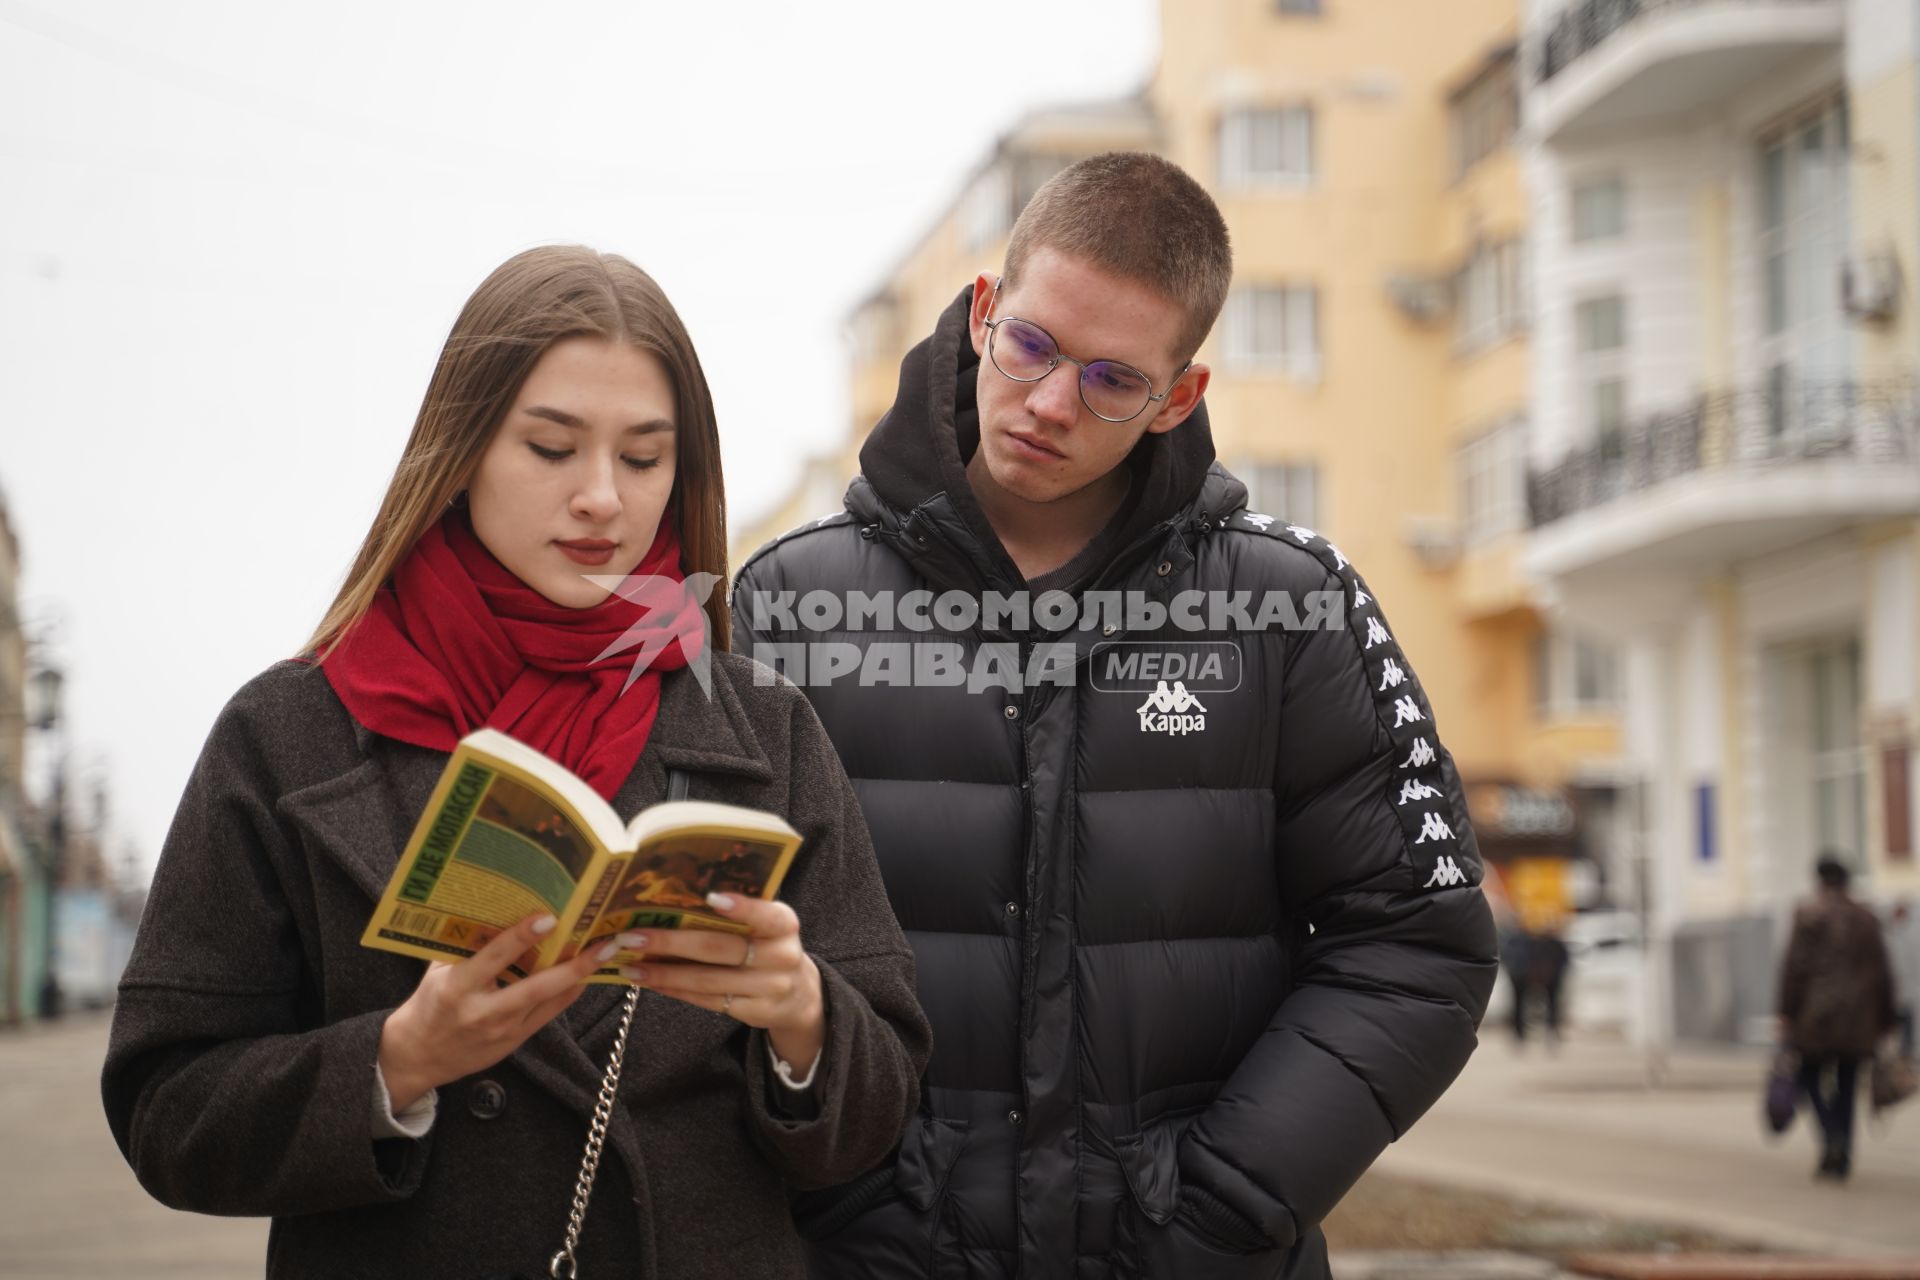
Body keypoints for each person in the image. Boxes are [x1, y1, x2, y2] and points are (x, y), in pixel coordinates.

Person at [732, 153, 1498, 1279]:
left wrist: (1222, 1210)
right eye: (1034, 346)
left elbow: (1416, 943)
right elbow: (720, 951)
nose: (1050, 404)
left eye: (1110, 380)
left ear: (1177, 396)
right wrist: (857, 1200)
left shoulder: (1291, 606)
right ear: (985, 312)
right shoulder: (789, 604)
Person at [101, 246, 933, 1279]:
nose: (601, 497)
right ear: (460, 450)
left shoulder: (765, 727)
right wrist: (398, 1061)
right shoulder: (287, 731)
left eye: (642, 458)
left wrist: (803, 1017)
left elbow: (884, 1091)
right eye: (550, 447)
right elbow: (165, 1107)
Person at [1776, 854, 1897, 1181]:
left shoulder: (1807, 915)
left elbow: (1793, 969)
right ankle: (1843, 1152)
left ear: (1819, 880)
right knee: (1846, 1083)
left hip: (1815, 1019)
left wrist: (1785, 1013)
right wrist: (1888, 1017)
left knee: (1809, 1079)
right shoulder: (1866, 918)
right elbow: (1884, 972)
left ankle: (1831, 1135)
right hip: (1859, 1021)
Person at [1887, 899, 1919, 1059]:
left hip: (1909, 992)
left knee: (1908, 1026)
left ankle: (1905, 1057)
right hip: (1893, 992)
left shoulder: (1911, 933)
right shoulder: (1889, 934)